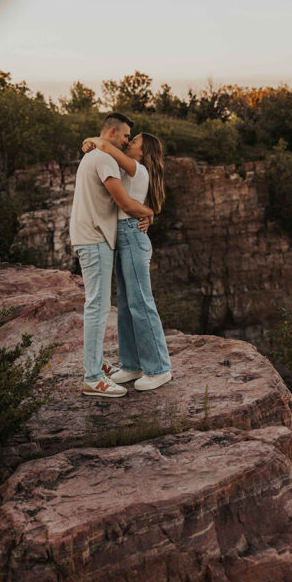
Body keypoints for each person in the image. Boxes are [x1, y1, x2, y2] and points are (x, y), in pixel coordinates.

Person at [69, 112, 154, 398]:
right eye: (127, 136)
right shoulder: (104, 158)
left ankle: (96, 363)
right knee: (98, 306)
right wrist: (149, 212)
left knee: (98, 304)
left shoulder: (94, 155)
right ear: (114, 132)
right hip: (94, 239)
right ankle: (93, 377)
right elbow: (124, 202)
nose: (128, 141)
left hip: (89, 236)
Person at [82, 130, 172, 391]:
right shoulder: (131, 171)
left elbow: (108, 149)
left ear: (143, 153)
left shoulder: (138, 169)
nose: (129, 143)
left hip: (132, 235)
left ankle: (159, 368)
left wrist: (95, 140)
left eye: (134, 142)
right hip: (122, 235)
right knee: (125, 303)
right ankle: (132, 365)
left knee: (141, 302)